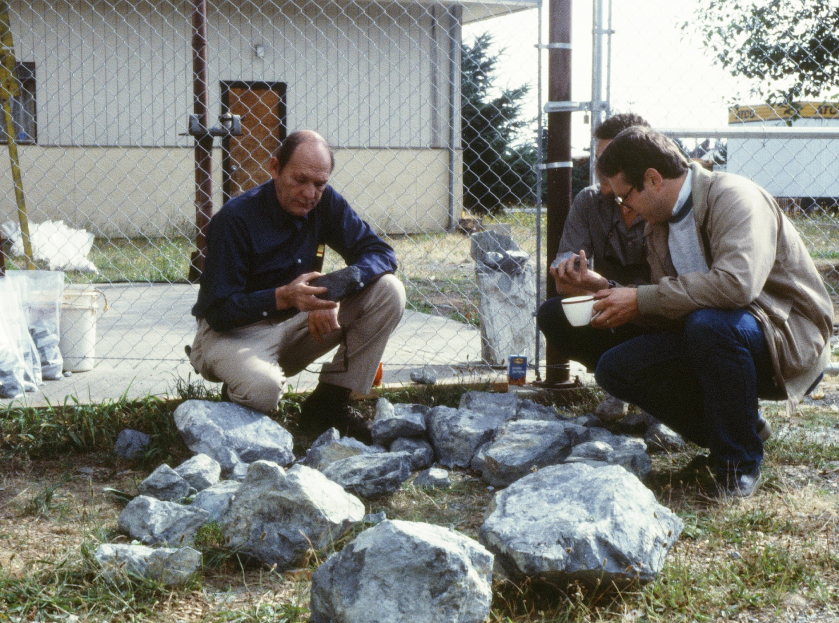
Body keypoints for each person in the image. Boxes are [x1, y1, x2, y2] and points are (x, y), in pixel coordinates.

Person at [573, 126, 832, 496]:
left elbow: (736, 285)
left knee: (709, 324)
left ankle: (737, 463)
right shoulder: (657, 225)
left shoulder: (733, 196)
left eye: (625, 198)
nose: (623, 210)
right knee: (616, 368)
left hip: (786, 339)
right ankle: (741, 431)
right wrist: (613, 294)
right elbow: (671, 302)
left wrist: (642, 298)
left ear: (653, 179)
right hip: (717, 333)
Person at [189, 130, 406, 441]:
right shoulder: (234, 219)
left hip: (298, 320)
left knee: (389, 291)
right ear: (275, 168)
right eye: (300, 180)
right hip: (234, 330)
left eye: (320, 184)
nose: (310, 193)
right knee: (262, 390)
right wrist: (284, 297)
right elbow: (219, 311)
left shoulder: (325, 203)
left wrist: (331, 291)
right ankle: (240, 390)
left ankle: (328, 405)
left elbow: (381, 253)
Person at [537, 113, 651, 421]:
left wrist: (603, 286)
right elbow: (565, 279)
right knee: (553, 313)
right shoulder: (589, 202)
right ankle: (622, 387)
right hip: (611, 309)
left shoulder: (660, 203)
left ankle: (659, 398)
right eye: (599, 159)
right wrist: (576, 276)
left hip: (658, 314)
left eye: (611, 160)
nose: (601, 169)